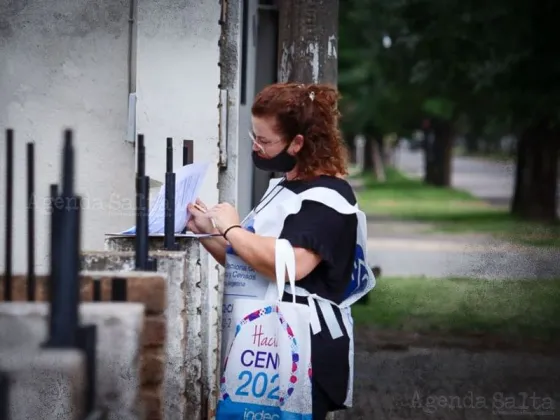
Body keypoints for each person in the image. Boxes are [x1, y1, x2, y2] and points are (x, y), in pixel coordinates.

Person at [186, 82, 374, 419]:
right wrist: (206, 234)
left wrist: (230, 227)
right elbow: (252, 263)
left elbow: (290, 266)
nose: (256, 148)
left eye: (265, 141)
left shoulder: (329, 197)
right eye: (253, 137)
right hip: (265, 343)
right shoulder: (285, 186)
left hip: (304, 348)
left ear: (298, 142)